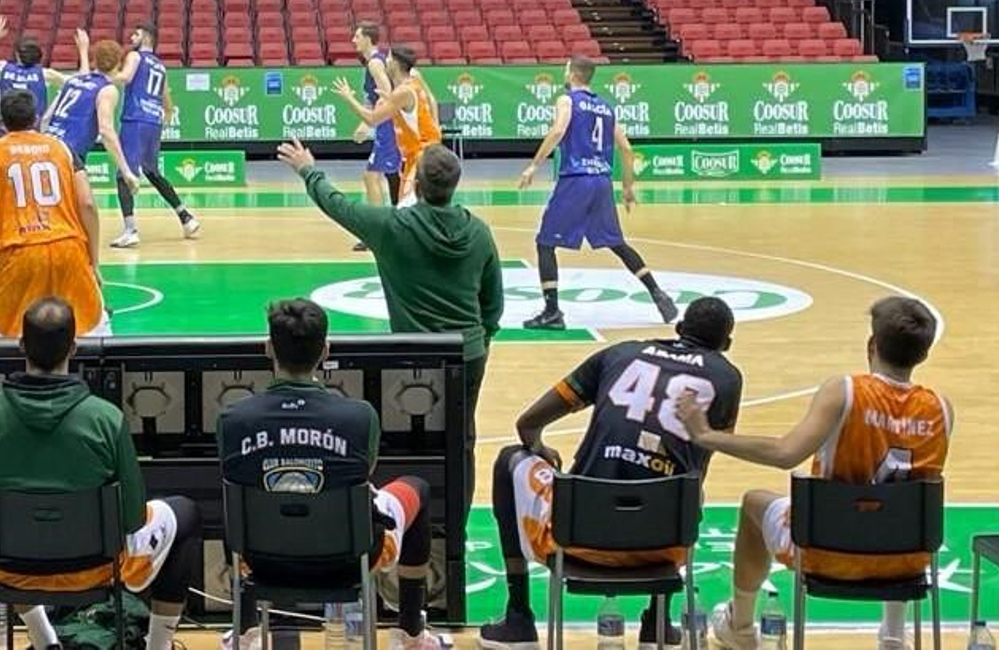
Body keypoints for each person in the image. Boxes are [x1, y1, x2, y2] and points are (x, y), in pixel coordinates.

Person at [675, 297, 950, 650]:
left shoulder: (845, 391)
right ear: (923, 354)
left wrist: (706, 435)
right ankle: (893, 634)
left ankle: (739, 627)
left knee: (754, 503)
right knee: (894, 508)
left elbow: (785, 454)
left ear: (872, 344)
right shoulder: (941, 408)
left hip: (826, 552)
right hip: (907, 560)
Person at [481, 297, 742, 650]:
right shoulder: (727, 378)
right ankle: (657, 621)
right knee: (690, 485)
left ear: (678, 328)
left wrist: (538, 447)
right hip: (663, 547)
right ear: (725, 345)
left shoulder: (619, 355)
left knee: (509, 458)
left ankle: (518, 617)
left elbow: (527, 423)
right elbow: (702, 464)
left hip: (575, 537)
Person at [0, 299, 202, 650]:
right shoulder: (106, 418)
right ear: (74, 347)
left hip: (12, 567)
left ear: (21, 345)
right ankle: (159, 645)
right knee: (187, 514)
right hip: (98, 569)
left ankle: (45, 641)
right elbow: (133, 517)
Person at [219, 299, 448, 650]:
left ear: (268, 349)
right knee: (416, 488)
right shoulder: (359, 416)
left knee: (238, 503)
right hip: (349, 561)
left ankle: (247, 631)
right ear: (325, 351)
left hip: (261, 561)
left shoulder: (233, 419)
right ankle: (411, 634)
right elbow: (363, 476)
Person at [277, 139, 500, 479]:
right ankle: (455, 528)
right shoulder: (479, 232)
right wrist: (481, 341)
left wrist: (307, 169)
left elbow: (338, 205)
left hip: (414, 355)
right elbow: (493, 305)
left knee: (399, 438)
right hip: (467, 355)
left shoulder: (392, 228)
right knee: (462, 442)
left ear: (416, 184)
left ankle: (402, 519)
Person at [517, 55, 677, 331]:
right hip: (602, 182)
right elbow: (627, 150)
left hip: (576, 180)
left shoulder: (567, 100)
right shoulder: (606, 107)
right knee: (617, 243)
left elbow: (557, 131)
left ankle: (552, 311)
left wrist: (533, 166)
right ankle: (658, 294)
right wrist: (627, 186)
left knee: (545, 243)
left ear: (572, 74)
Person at [0, 90, 104, 337]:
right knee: (89, 333)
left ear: (2, 122)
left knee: (4, 340)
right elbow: (87, 204)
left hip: (21, 254)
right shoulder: (63, 149)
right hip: (69, 250)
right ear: (36, 118)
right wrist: (94, 262)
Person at [0, 14, 88, 258]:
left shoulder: (4, 69)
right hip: (34, 141)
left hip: (3, 137)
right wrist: (82, 50)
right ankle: (38, 231)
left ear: (18, 55)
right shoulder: (46, 74)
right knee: (31, 188)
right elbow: (80, 79)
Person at [108, 22, 201, 248]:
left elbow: (126, 78)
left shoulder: (135, 57)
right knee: (152, 172)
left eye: (136, 34)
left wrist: (103, 76)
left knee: (123, 174)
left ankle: (130, 230)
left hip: (135, 119)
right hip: (153, 122)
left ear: (146, 38)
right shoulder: (160, 66)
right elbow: (166, 97)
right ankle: (186, 217)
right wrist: (166, 114)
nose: (131, 37)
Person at [332, 45, 442, 204]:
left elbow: (372, 119)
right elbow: (418, 105)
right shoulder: (413, 83)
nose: (386, 61)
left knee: (407, 211)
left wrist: (349, 98)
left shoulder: (403, 92)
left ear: (396, 64)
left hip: (421, 156)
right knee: (413, 209)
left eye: (389, 58)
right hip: (425, 152)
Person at [41, 36, 140, 192]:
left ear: (95, 60)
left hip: (46, 144)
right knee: (81, 207)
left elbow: (47, 117)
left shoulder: (74, 81)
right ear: (118, 64)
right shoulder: (107, 90)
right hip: (68, 153)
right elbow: (106, 131)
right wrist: (126, 171)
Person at [349, 21, 402, 252]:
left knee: (371, 177)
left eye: (357, 36)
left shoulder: (375, 63)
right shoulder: (376, 61)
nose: (353, 40)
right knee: (392, 175)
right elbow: (376, 99)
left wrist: (373, 120)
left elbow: (388, 96)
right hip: (385, 124)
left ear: (368, 39)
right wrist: (365, 123)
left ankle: (379, 233)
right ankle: (397, 226)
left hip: (389, 126)